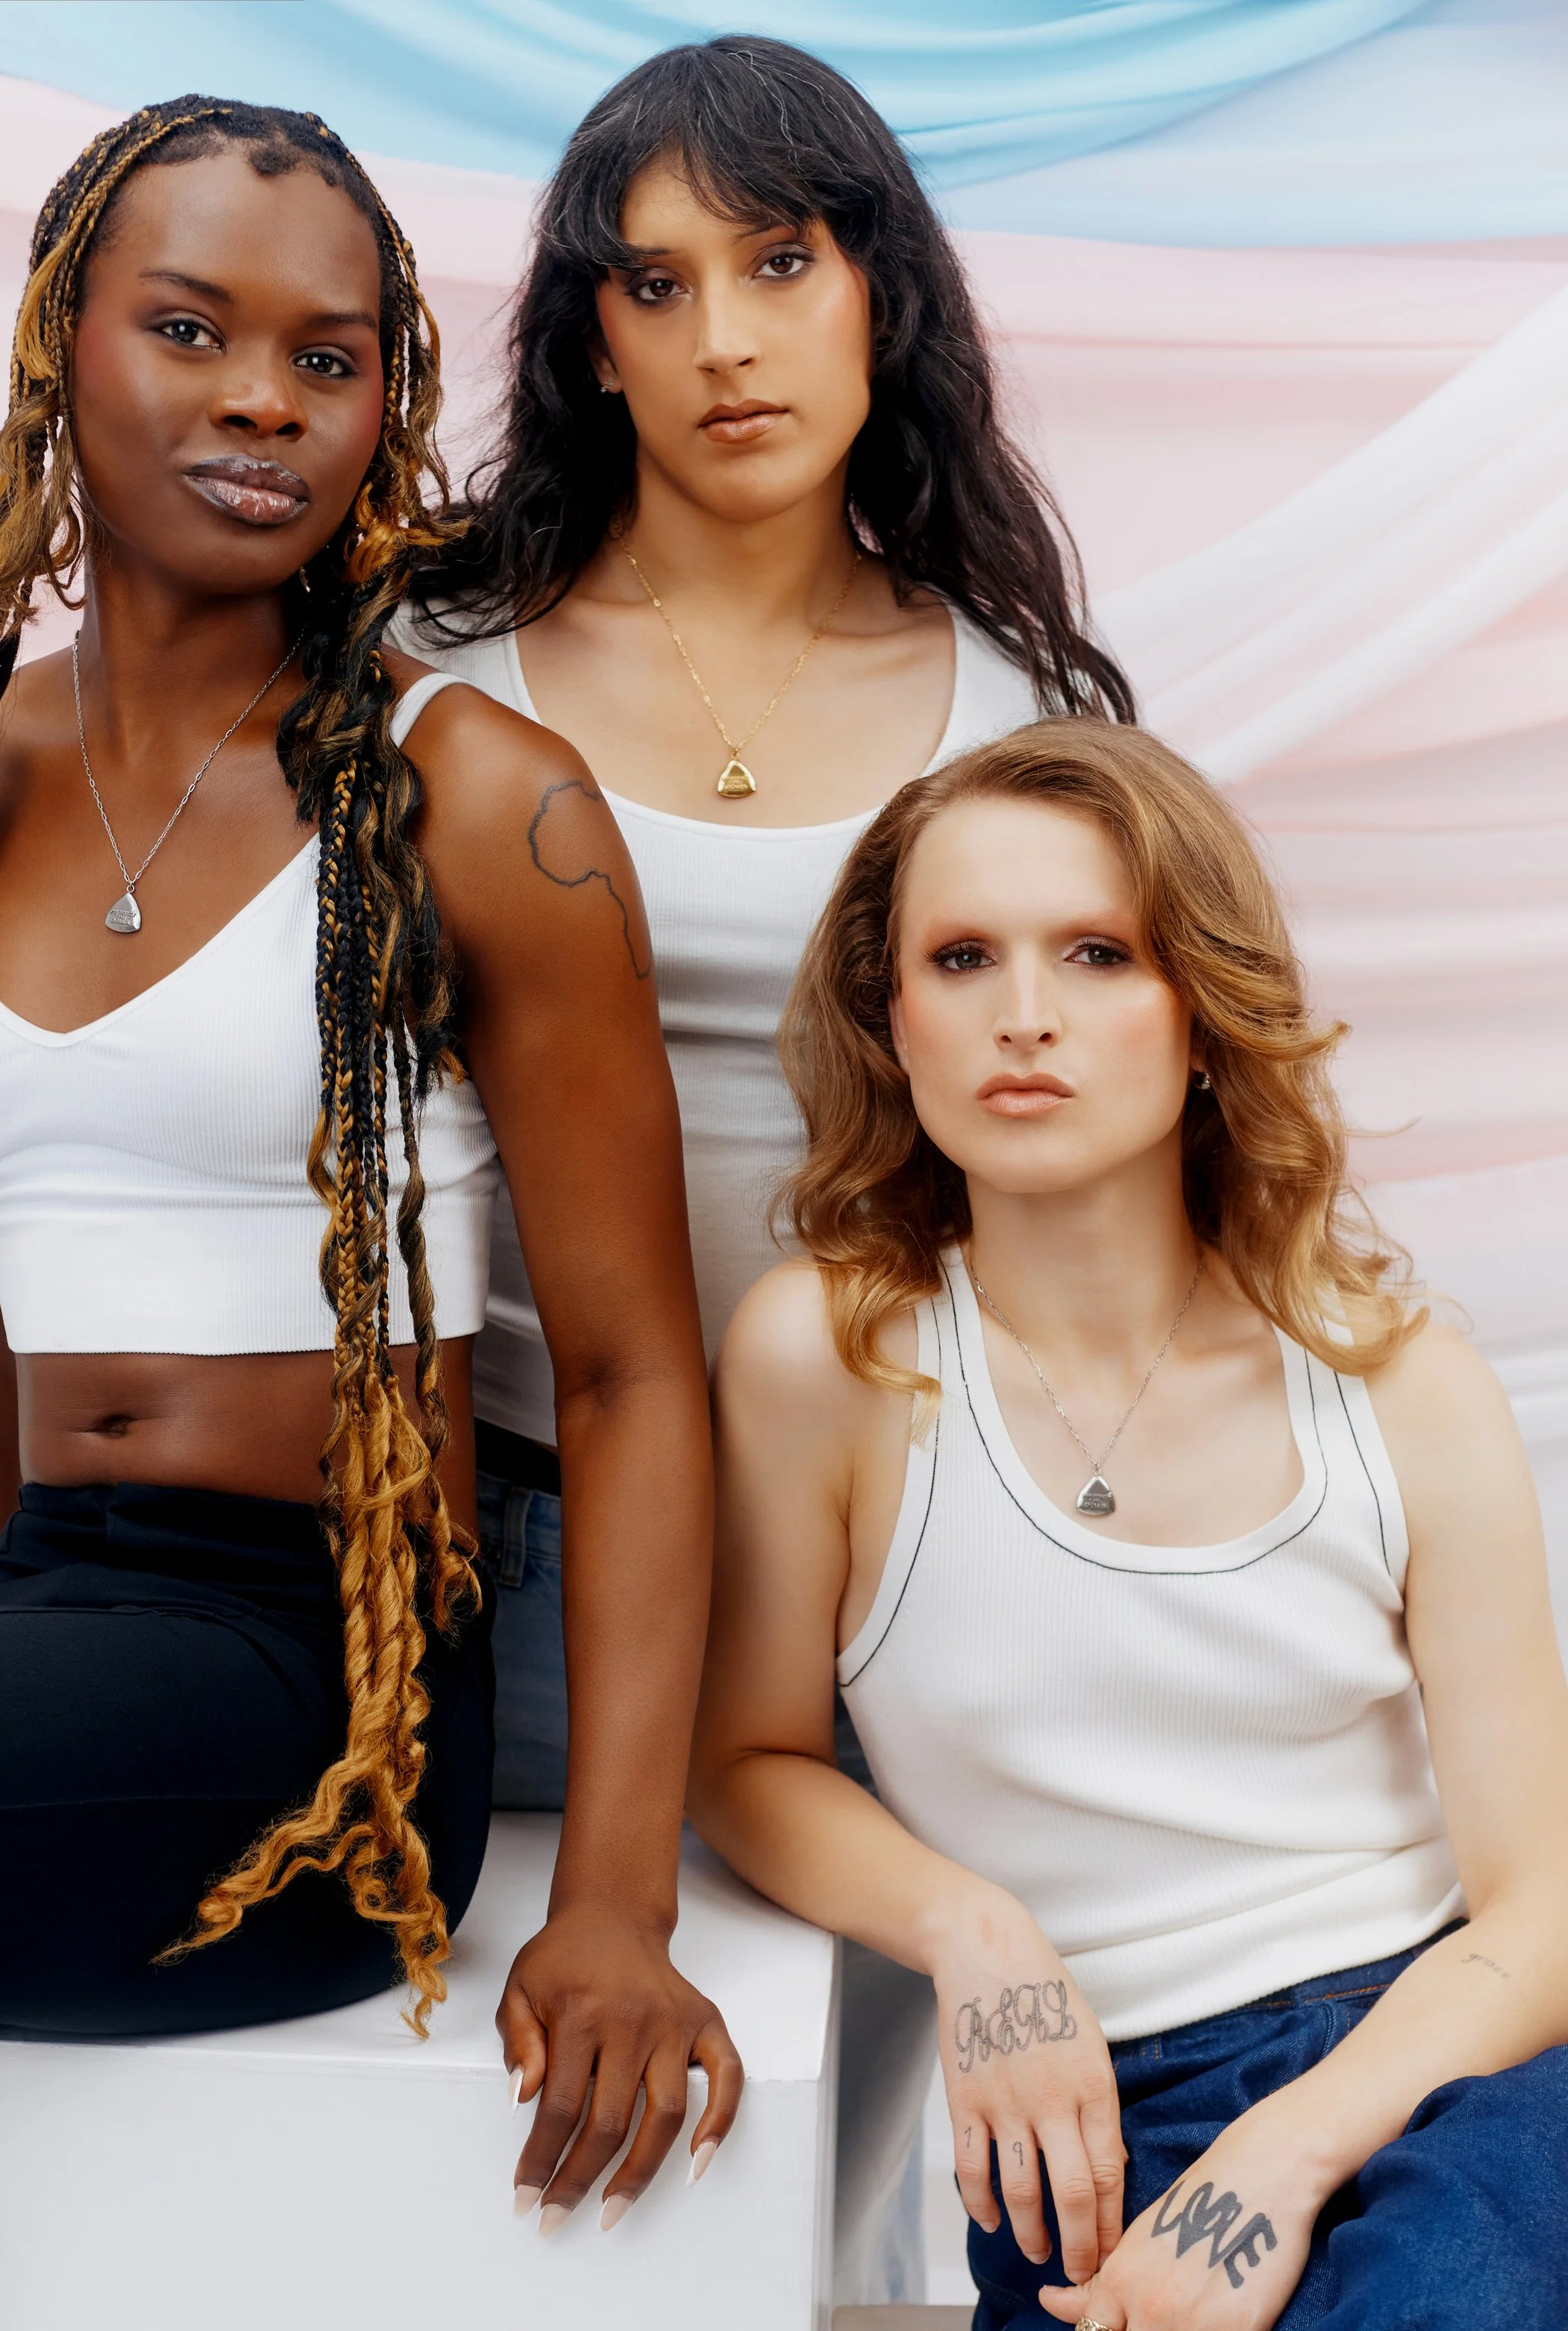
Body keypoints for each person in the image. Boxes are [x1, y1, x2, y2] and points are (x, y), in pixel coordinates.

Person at [0, 98, 742, 2324]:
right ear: (61, 347)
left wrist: (621, 1902)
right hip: (50, 1651)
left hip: (314, 1708)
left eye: (330, 356)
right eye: (189, 329)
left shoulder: (480, 808)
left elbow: (648, 1373)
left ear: (385, 409)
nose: (265, 398)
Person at [395, 37, 1132, 2297]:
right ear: (582, 343)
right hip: (496, 1540)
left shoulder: (1019, 712)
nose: (722, 337)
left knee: (906, 2171)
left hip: (887, 1550)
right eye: (651, 282)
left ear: (877, 295)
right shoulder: (429, 671)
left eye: (781, 262)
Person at [690, 718, 1568, 2330]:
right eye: (960, 956)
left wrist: (1282, 2158)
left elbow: (1539, 1903)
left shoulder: (1392, 1380)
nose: (1023, 1015)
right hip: (1091, 2099)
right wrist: (972, 1931)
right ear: (888, 1020)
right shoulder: (829, 1356)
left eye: (1096, 952)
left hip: (1449, 2056)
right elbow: (745, 1761)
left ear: (1199, 1011)